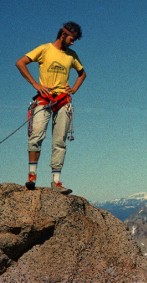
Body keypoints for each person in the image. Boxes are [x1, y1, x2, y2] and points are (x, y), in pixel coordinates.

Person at [15, 21, 87, 194]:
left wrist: (74, 88)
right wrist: (35, 84)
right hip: (44, 98)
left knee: (59, 141)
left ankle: (56, 182)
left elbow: (82, 73)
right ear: (63, 35)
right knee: (36, 134)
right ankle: (31, 176)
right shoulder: (45, 49)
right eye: (72, 38)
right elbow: (20, 63)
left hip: (63, 100)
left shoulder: (72, 55)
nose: (73, 42)